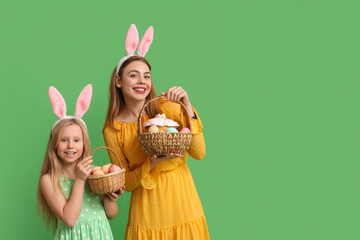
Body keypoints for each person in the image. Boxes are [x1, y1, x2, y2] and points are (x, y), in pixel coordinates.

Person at [103, 24, 210, 239]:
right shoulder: (112, 129)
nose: (142, 81)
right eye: (133, 75)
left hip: (183, 205)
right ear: (118, 81)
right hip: (147, 214)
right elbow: (127, 183)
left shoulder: (168, 109)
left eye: (146, 76)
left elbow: (199, 153)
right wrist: (152, 163)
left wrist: (187, 107)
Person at [37, 85, 125, 240]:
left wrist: (109, 199)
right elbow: (70, 220)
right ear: (55, 145)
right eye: (64, 140)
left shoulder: (95, 172)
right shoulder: (49, 180)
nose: (71, 145)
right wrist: (79, 179)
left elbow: (111, 214)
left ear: (84, 144)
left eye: (76, 140)